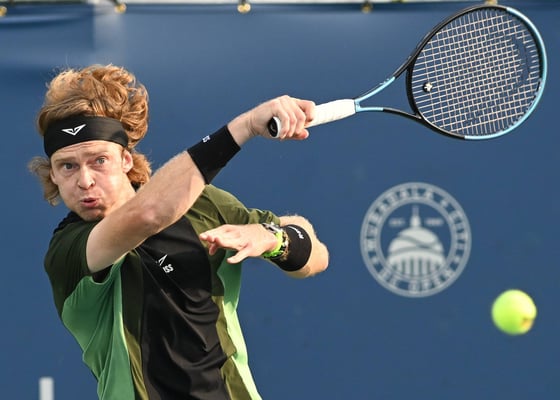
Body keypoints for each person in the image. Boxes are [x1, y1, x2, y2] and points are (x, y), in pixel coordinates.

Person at [28, 64, 329, 400]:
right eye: (67, 166)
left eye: (99, 161)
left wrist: (273, 238)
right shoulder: (69, 251)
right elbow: (148, 214)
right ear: (53, 175)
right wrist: (244, 127)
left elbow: (316, 256)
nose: (84, 181)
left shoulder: (202, 205)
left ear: (126, 160)